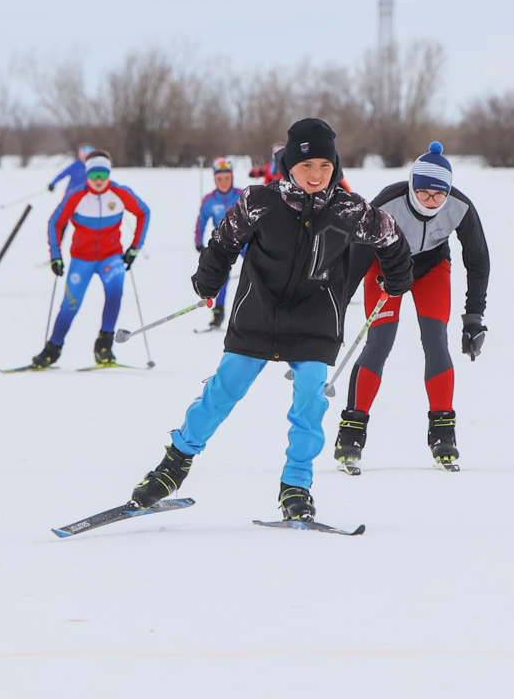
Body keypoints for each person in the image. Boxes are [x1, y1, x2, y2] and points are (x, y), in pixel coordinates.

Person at [128, 118, 413, 520]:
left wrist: (397, 278)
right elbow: (224, 239)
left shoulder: (350, 209)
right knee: (222, 392)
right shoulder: (259, 201)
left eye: (325, 166)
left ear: (335, 167)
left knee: (310, 404)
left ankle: (296, 487)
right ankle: (174, 464)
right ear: (289, 167)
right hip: (257, 316)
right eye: (306, 166)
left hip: (315, 324)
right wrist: (208, 280)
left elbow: (392, 238)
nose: (316, 175)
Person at [334, 142, 490, 474]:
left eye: (438, 196)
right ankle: (351, 432)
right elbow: (356, 258)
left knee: (436, 340)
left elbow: (478, 261)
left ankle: (443, 432)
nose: (431, 202)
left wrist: (474, 316)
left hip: (432, 269)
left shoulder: (460, 208)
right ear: (411, 186)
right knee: (380, 342)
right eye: (423, 194)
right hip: (384, 267)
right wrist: (336, 310)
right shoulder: (387, 202)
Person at [33, 151, 150, 367]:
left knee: (115, 293)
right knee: (70, 305)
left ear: (109, 174)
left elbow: (144, 212)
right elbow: (54, 223)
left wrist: (135, 248)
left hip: (111, 257)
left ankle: (104, 346)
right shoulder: (76, 195)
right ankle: (52, 349)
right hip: (82, 259)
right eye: (94, 174)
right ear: (87, 174)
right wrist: (55, 257)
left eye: (103, 174)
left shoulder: (120, 193)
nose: (98, 180)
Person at [194, 157, 242, 330]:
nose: (223, 182)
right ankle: (218, 313)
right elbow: (201, 221)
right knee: (221, 276)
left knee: (257, 270)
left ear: (232, 177)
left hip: (245, 242)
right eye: (219, 179)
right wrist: (199, 242)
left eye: (227, 178)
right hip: (224, 244)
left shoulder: (241, 195)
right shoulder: (210, 200)